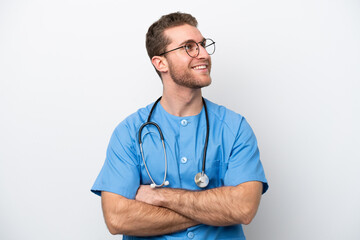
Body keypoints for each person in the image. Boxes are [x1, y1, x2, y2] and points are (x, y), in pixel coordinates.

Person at [91, 12, 268, 240]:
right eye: (188, 47)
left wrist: (161, 198)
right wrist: (216, 209)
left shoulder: (235, 128)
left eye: (203, 45)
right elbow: (117, 219)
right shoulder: (129, 132)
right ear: (160, 62)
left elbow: (243, 208)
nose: (203, 54)